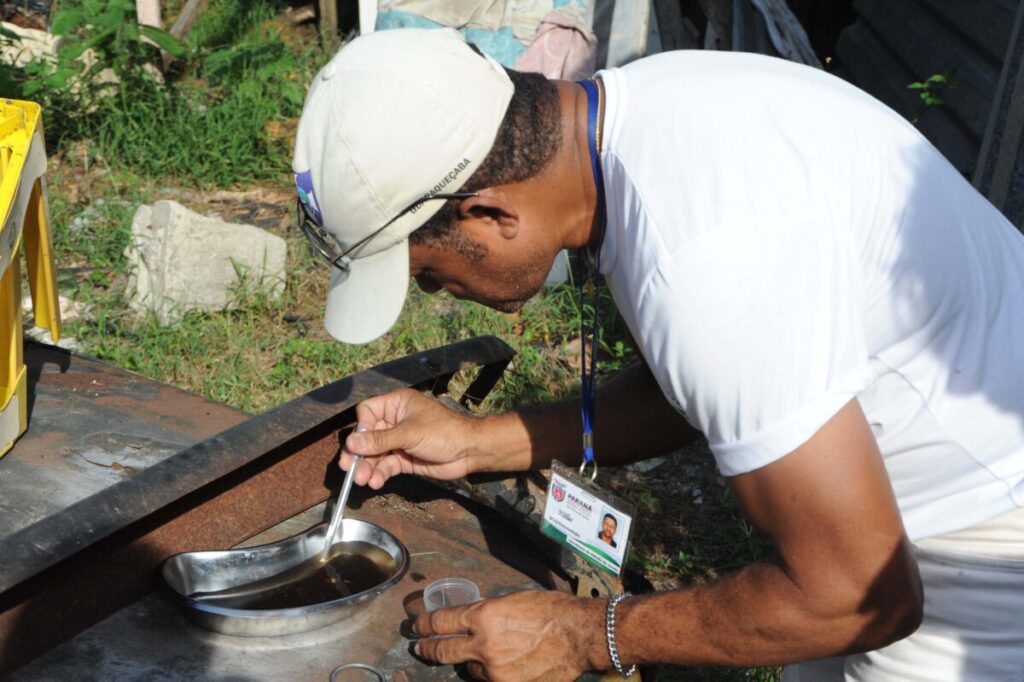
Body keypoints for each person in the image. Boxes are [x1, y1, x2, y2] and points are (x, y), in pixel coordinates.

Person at [292, 28, 1024, 682]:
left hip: (983, 531)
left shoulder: (705, 259)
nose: (440, 292)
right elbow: (697, 388)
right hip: (877, 514)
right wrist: (477, 443)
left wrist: (583, 634)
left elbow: (861, 600)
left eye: (427, 271)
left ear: (489, 211)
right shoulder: (642, 118)